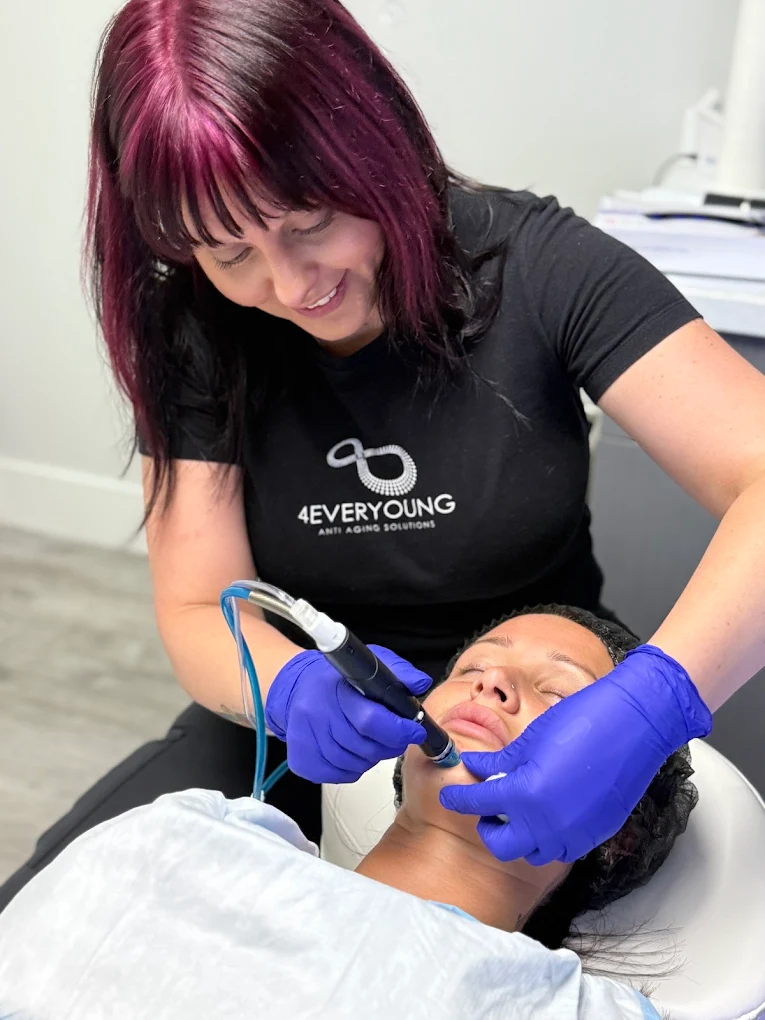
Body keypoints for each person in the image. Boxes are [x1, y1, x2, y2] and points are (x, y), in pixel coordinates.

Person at [3, 0, 765, 910]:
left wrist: (652, 705)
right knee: (57, 911)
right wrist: (284, 689)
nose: (289, 287)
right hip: (320, 712)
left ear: (376, 140)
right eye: (228, 251)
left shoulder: (540, 267)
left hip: (549, 720)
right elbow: (200, 600)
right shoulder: (194, 326)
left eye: (310, 218)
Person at [0, 607, 693, 1019]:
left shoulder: (557, 1007)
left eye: (556, 693)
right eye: (473, 667)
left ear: (616, 830)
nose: (492, 681)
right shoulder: (193, 834)